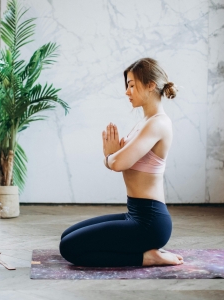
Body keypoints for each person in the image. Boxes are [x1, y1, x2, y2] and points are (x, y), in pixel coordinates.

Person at [59, 58, 184, 267]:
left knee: (69, 248)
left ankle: (146, 257)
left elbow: (118, 163)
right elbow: (119, 160)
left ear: (151, 85)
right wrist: (113, 157)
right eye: (127, 85)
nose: (127, 91)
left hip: (150, 222)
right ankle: (143, 251)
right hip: (134, 213)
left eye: (132, 85)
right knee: (67, 236)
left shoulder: (158, 123)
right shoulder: (145, 122)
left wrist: (109, 157)